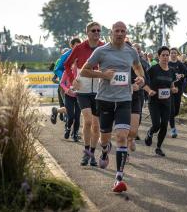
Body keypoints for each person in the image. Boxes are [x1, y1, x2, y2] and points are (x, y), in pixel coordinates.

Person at [80, 21, 145, 192]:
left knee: (122, 137)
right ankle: (104, 150)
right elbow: (84, 71)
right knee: (105, 139)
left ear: (126, 33)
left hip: (124, 100)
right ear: (111, 33)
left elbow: (138, 68)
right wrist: (103, 74)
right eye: (117, 31)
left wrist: (140, 78)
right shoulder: (101, 51)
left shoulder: (131, 52)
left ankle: (118, 178)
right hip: (105, 99)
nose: (120, 33)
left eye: (123, 31)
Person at [65, 22, 104, 166]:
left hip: (99, 90)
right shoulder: (79, 48)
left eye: (98, 30)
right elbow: (67, 65)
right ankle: (86, 151)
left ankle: (92, 154)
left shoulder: (103, 47)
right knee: (87, 121)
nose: (96, 32)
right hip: (83, 90)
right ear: (87, 32)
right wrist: (71, 79)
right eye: (93, 30)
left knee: (96, 126)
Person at [144, 46, 178, 156]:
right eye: (163, 55)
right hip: (154, 102)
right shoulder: (153, 69)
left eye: (167, 55)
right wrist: (149, 91)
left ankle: (158, 147)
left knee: (164, 125)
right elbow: (143, 83)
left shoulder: (172, 71)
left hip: (166, 102)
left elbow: (172, 85)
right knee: (156, 125)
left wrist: (173, 89)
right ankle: (150, 132)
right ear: (158, 57)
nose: (165, 57)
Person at [51, 42, 81, 127]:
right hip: (64, 86)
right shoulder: (61, 59)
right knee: (69, 108)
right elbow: (56, 71)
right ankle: (68, 126)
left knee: (71, 108)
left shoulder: (79, 55)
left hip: (74, 86)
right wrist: (67, 77)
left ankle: (57, 112)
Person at [168, 48, 187, 138]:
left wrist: (182, 75)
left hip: (178, 88)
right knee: (172, 110)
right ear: (169, 54)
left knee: (176, 110)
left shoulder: (180, 64)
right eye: (171, 53)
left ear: (177, 54)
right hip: (169, 89)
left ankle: (169, 117)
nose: (173, 54)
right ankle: (173, 129)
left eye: (175, 53)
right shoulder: (167, 64)